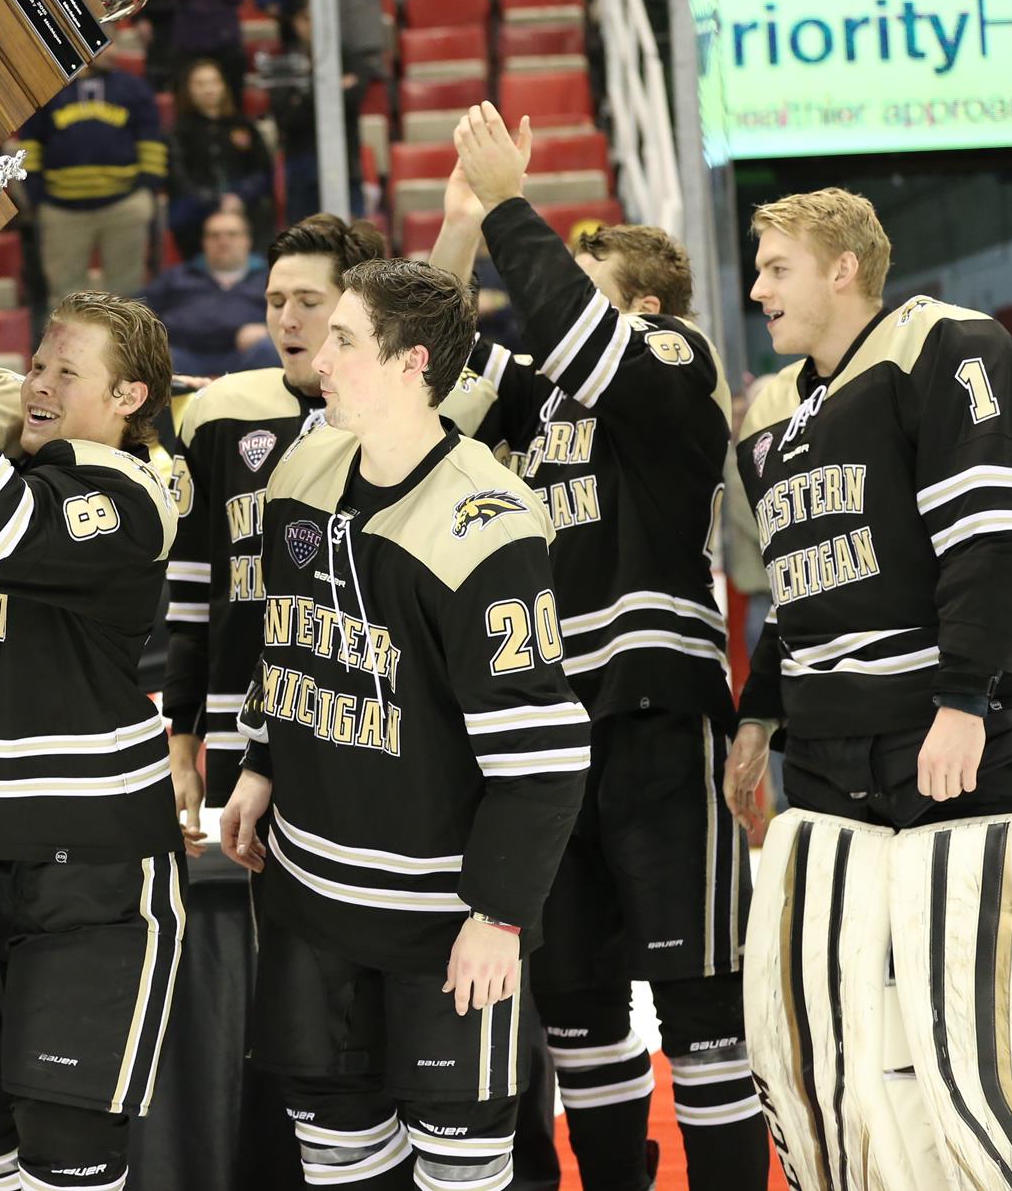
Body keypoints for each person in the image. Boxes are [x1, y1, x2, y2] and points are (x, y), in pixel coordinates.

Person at [444, 103, 767, 1190]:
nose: (557, 311)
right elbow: (429, 370)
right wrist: (460, 225)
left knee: (702, 1013)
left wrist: (509, 203)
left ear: (639, 307)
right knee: (577, 1013)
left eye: (586, 290)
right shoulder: (544, 396)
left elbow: (583, 337)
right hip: (550, 739)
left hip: (656, 717)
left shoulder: (674, 357)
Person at [219, 255, 588, 1191]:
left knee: (462, 1169)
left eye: (344, 340)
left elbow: (545, 754)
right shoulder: (304, 467)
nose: (318, 357)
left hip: (443, 923)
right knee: (339, 1164)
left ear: (413, 362)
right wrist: (260, 760)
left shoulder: (489, 522)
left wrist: (499, 915)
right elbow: (284, 638)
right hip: (311, 899)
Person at [726, 189, 1012, 1191]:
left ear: (842, 268)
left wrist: (964, 698)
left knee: (984, 1058)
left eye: (776, 267)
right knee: (837, 1060)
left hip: (957, 755)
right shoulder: (784, 415)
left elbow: (997, 540)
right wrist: (757, 716)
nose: (757, 289)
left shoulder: (946, 346)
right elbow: (802, 590)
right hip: (830, 767)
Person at [0, 262, 185, 1191]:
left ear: (129, 398)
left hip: (87, 853)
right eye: (38, 365)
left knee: (68, 1133)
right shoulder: (6, 440)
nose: (41, 384)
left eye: (67, 372)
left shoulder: (129, 498)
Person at [163, 213, 385, 809]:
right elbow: (191, 600)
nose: (287, 319)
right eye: (275, 301)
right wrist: (183, 748)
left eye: (309, 302)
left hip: (371, 726)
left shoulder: (408, 422)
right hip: (240, 719)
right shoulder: (218, 413)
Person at [16, 47, 166, 314]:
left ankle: (124, 343)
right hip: (62, 210)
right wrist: (38, 194)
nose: (114, 51)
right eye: (105, 44)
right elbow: (30, 145)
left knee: (128, 299)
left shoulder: (133, 88)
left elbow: (151, 141)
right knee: (65, 301)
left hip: (124, 205)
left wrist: (146, 189)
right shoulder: (48, 88)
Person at [260, 0, 367, 222]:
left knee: (351, 233)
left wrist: (303, 95)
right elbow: (287, 117)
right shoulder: (283, 63)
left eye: (320, 17)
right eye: (306, 18)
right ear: (295, 22)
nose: (313, 24)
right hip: (301, 163)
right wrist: (330, 89)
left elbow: (353, 98)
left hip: (345, 160)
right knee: (303, 234)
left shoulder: (347, 56)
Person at [166, 57, 274, 259]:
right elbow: (179, 179)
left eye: (214, 82)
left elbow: (263, 171)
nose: (208, 89)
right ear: (188, 90)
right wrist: (215, 201)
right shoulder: (178, 132)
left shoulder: (243, 125)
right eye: (200, 84)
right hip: (197, 209)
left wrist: (239, 196)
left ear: (224, 86)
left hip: (245, 205)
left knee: (263, 209)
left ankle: (258, 267)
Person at [142, 208, 271, 376]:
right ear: (204, 242)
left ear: (247, 240)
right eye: (214, 235)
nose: (223, 241)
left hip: (247, 357)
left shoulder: (269, 278)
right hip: (183, 357)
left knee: (269, 350)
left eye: (232, 234)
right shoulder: (176, 277)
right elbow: (138, 309)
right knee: (153, 358)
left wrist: (268, 330)